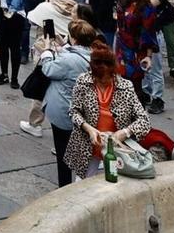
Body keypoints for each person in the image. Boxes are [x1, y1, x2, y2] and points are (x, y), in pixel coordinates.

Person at [63, 42, 150, 181]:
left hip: (117, 150)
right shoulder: (83, 81)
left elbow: (144, 121)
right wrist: (88, 128)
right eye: (98, 79)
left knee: (114, 186)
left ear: (113, 72)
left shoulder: (126, 87)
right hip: (87, 147)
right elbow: (73, 112)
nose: (102, 82)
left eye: (106, 79)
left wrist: (124, 133)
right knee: (82, 187)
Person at [35, 18, 97, 185]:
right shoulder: (93, 55)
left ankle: (65, 186)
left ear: (74, 38)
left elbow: (49, 69)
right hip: (84, 111)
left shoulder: (69, 60)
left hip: (64, 110)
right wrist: (64, 45)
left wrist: (47, 51)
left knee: (63, 152)